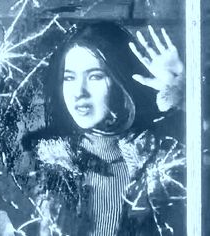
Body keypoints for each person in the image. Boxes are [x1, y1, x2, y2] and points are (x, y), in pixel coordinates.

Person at [20, 21, 186, 236]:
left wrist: (184, 95)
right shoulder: (41, 166)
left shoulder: (161, 161)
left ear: (121, 80)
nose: (79, 92)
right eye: (69, 77)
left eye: (95, 76)